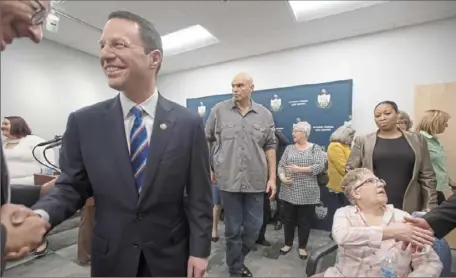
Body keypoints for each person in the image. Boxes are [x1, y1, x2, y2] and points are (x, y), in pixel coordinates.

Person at [29, 11, 212, 277]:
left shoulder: (188, 123)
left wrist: (200, 250)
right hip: (111, 257)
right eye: (102, 45)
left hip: (170, 255)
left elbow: (199, 196)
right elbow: (71, 187)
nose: (105, 54)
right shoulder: (84, 122)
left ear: (154, 58)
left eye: (118, 44)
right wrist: (41, 216)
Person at [205, 72, 277, 277]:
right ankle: (235, 268)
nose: (235, 89)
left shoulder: (264, 114)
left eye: (240, 85)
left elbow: (271, 145)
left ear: (251, 87)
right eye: (233, 86)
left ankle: (235, 258)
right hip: (227, 179)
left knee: (254, 227)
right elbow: (207, 138)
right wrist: (209, 167)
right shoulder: (219, 110)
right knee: (232, 229)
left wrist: (272, 178)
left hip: (256, 179)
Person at [0, 0, 53, 270]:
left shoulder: (35, 143)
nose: (37, 34)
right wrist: (5, 237)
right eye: (37, 9)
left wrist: (39, 191)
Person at [323, 168, 442, 277]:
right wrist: (392, 232)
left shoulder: (403, 217)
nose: (380, 184)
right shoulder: (344, 213)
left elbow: (429, 262)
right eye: (370, 181)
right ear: (356, 193)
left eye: (379, 180)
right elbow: (342, 236)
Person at [346, 101, 437, 213]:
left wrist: (429, 206)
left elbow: (427, 176)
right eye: (377, 116)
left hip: (410, 204)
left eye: (387, 113)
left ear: (397, 114)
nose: (382, 118)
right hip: (373, 205)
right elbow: (350, 173)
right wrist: (356, 201)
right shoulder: (364, 141)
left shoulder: (417, 140)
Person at [278, 121, 326, 260]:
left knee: (304, 221)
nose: (293, 133)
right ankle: (287, 243)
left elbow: (319, 167)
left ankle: (302, 247)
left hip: (308, 192)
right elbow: (281, 165)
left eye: (296, 131)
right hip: (289, 190)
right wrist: (281, 177)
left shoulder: (315, 148)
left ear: (304, 133)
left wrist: (299, 169)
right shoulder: (289, 149)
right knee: (288, 219)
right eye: (293, 131)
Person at [415, 109, 454, 205]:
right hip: (427, 190)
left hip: (438, 188)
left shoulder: (434, 141)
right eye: (444, 122)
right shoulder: (419, 139)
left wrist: (450, 181)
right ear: (435, 122)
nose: (446, 125)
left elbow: (438, 165)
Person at [326, 125, 355, 207]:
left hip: (348, 184)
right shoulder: (335, 146)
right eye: (351, 136)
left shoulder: (345, 146)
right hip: (341, 185)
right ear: (343, 135)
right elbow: (342, 168)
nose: (352, 139)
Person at [272, 128, 291, 231]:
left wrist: (274, 130)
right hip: (262, 170)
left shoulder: (276, 135)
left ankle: (279, 220)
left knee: (280, 197)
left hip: (277, 170)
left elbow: (287, 142)